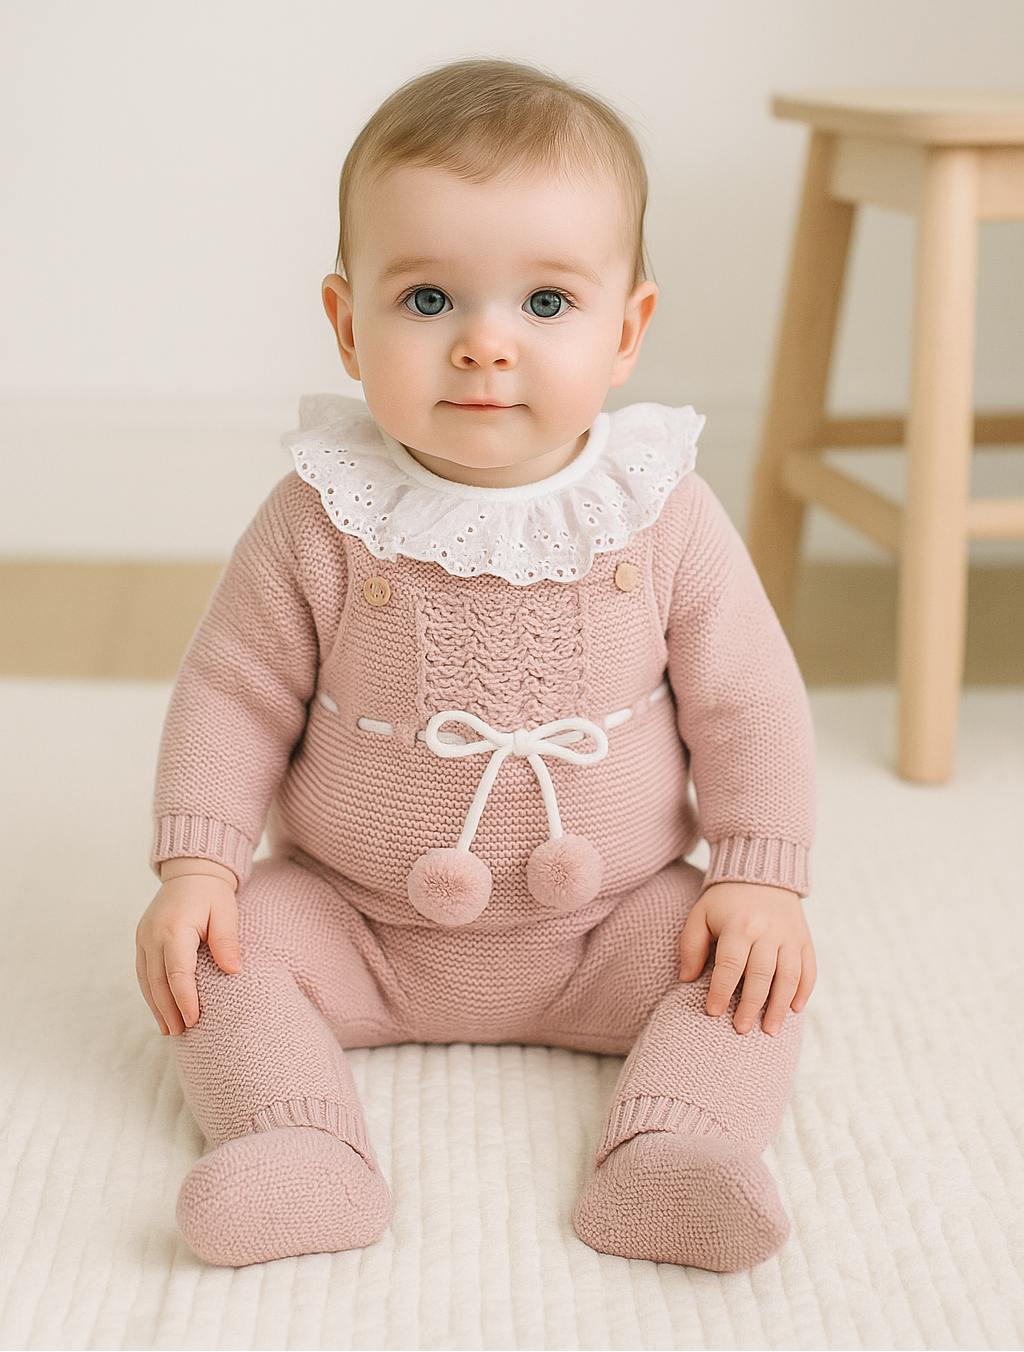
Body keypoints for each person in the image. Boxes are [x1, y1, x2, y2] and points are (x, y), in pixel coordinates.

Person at [136, 58, 816, 1272]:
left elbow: (748, 698)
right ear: (348, 325)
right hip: (361, 920)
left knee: (749, 979)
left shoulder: (659, 509)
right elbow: (231, 690)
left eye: (546, 305)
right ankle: (300, 1144)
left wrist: (760, 875)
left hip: (609, 921)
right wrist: (199, 861)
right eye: (430, 299)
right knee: (213, 957)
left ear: (627, 329)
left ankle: (673, 1150)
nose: (484, 347)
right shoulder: (320, 513)